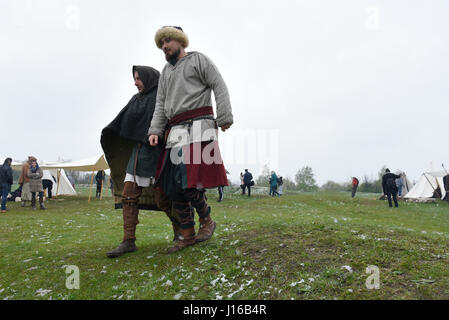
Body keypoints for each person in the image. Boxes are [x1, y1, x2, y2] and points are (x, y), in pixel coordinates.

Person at [148, 26, 233, 253]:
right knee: (173, 186)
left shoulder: (198, 60)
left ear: (180, 41)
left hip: (199, 126)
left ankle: (206, 220)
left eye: (168, 41)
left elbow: (218, 84)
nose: (165, 46)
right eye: (161, 43)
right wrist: (155, 130)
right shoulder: (166, 71)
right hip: (175, 131)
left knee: (189, 181)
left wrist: (224, 115)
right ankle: (187, 235)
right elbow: (160, 104)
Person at [101, 65, 178, 258]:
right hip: (137, 153)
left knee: (163, 198)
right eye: (134, 78)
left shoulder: (161, 100)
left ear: (149, 78)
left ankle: (180, 232)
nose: (135, 82)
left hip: (157, 153)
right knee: (129, 195)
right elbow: (124, 121)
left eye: (138, 78)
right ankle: (128, 240)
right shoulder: (136, 99)